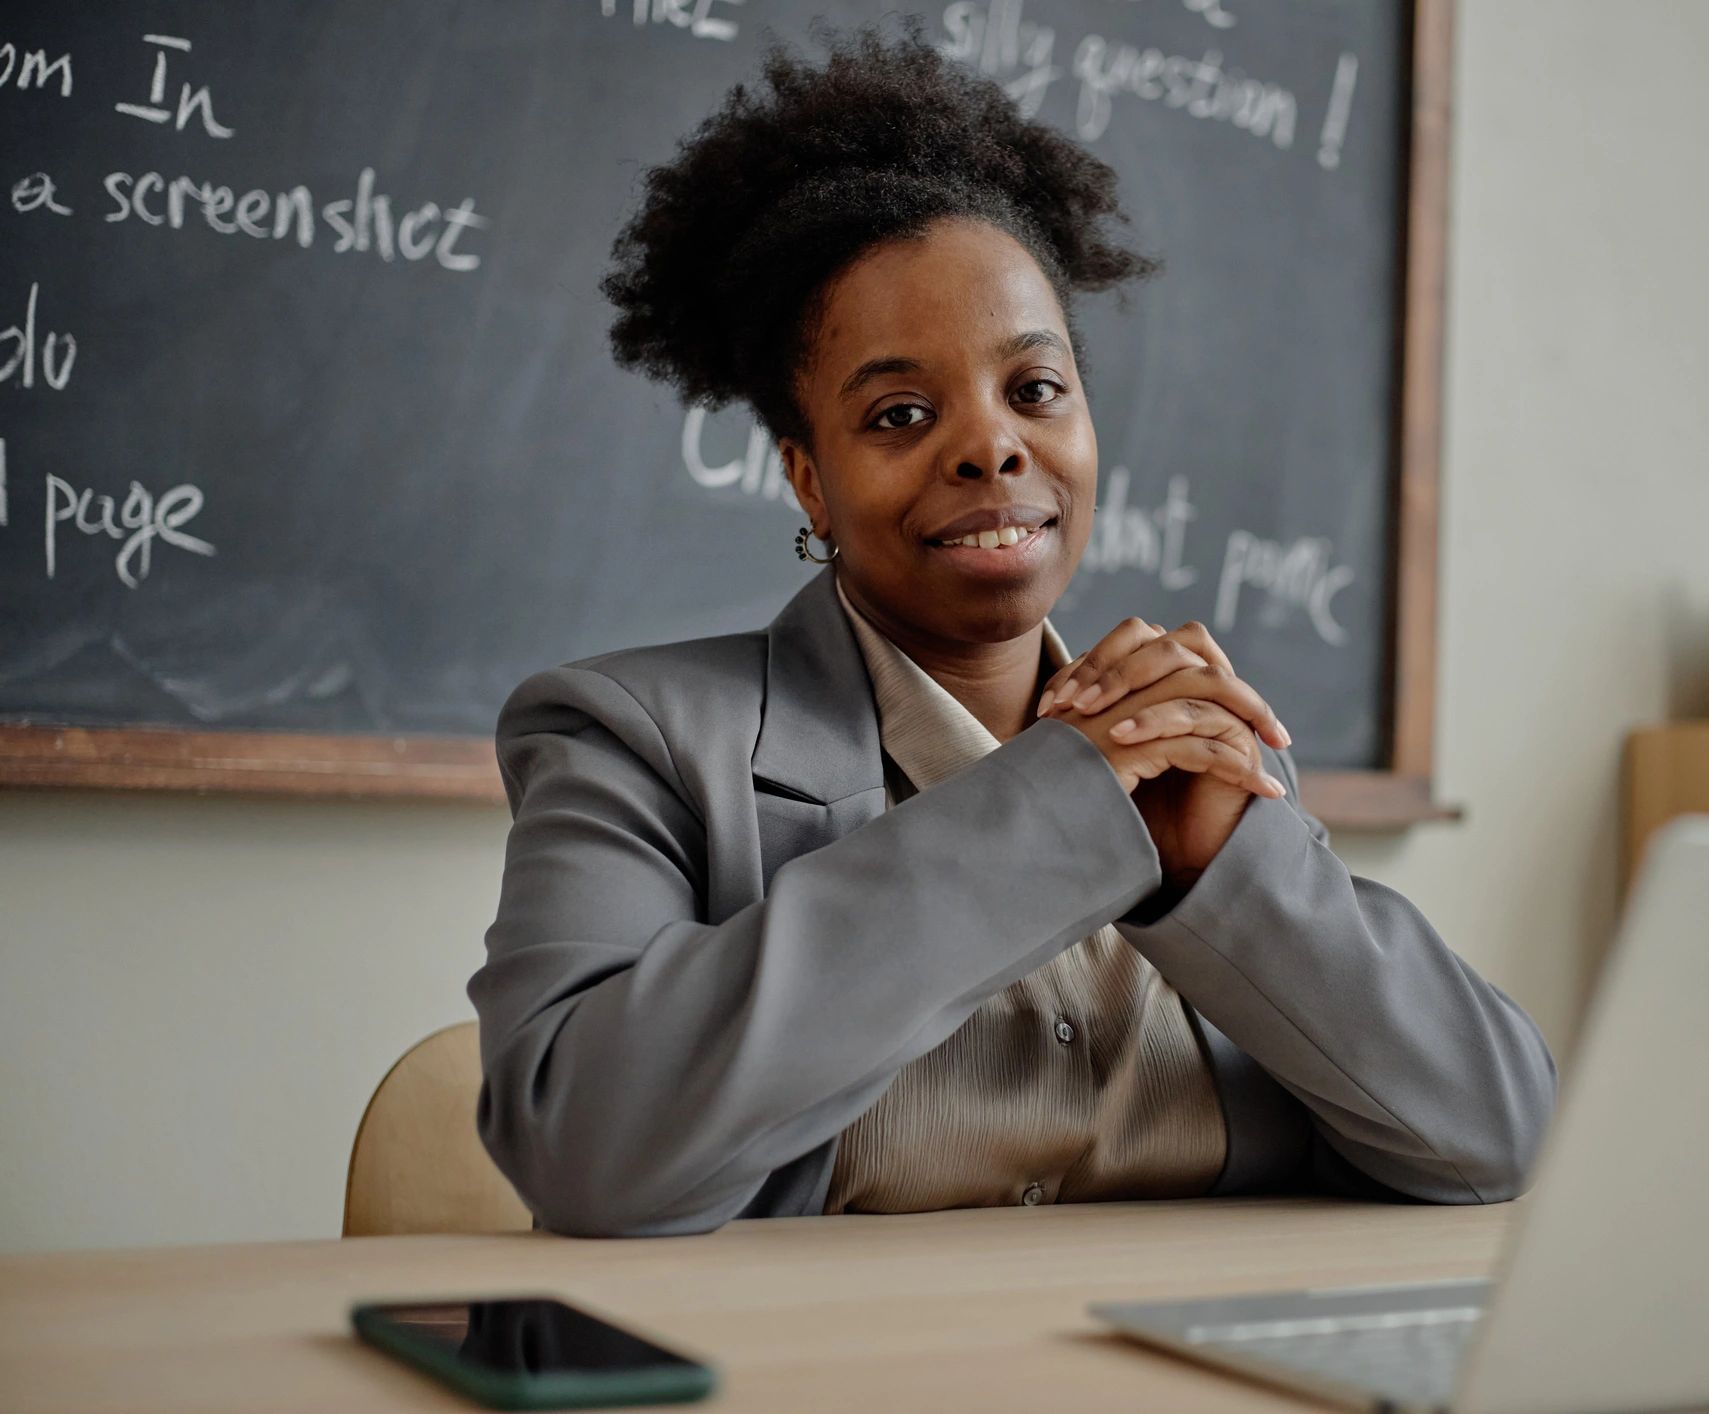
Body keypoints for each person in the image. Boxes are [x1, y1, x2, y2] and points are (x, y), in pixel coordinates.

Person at [469, 20, 1554, 1238]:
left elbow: (1494, 1137)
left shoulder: (1190, 745)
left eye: (1036, 389)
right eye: (899, 412)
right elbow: (587, 1147)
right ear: (810, 481)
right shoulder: (633, 739)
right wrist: (1048, 813)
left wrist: (1220, 869)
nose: (991, 443)